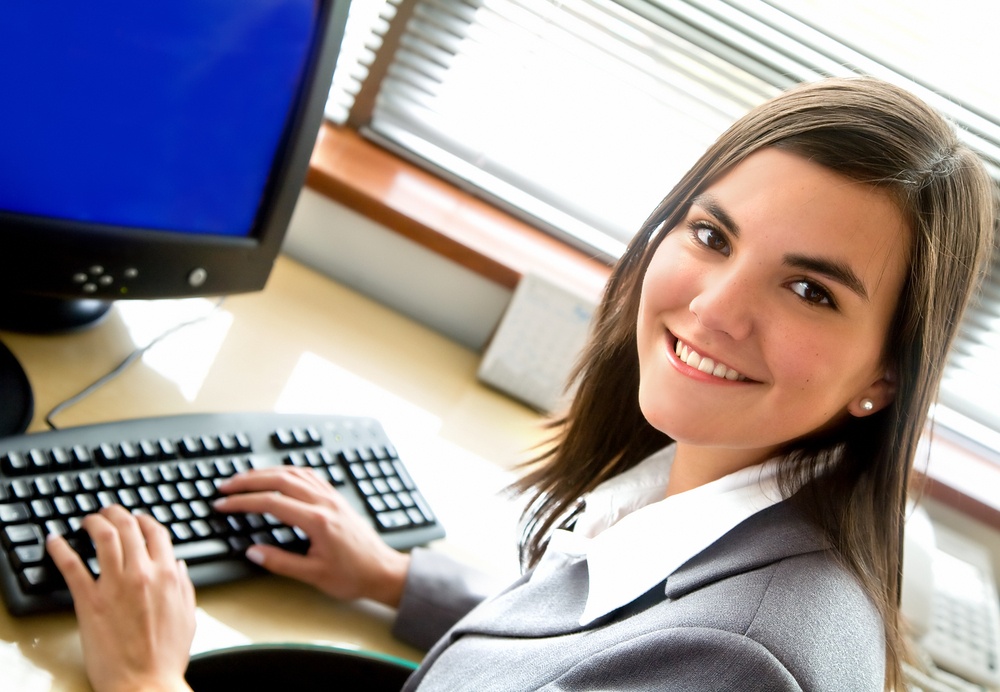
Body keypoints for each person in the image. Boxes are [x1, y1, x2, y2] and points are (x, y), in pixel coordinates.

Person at [47, 76, 996, 691]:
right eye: (712, 235)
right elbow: (596, 657)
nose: (713, 309)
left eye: (809, 289)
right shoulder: (719, 498)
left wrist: (146, 682)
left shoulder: (741, 666)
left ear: (885, 373)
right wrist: (394, 576)